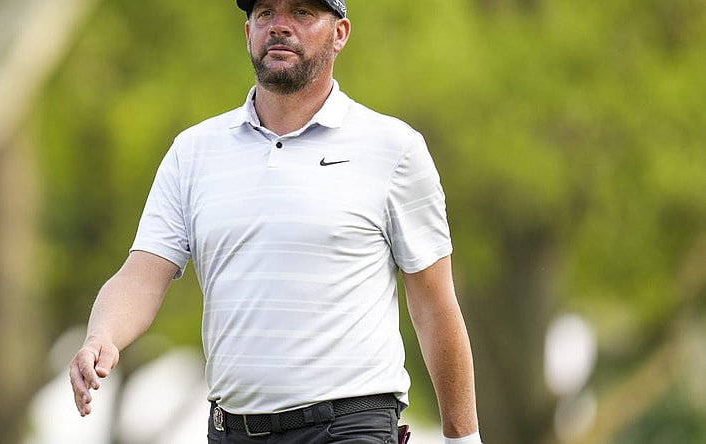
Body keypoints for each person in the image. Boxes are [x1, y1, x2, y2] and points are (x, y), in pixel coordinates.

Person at [69, 0, 483, 442]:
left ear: (340, 33)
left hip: (349, 426)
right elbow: (142, 274)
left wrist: (462, 437)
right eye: (265, 13)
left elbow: (434, 305)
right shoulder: (193, 152)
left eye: (302, 13)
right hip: (233, 429)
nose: (279, 26)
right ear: (248, 33)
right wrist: (102, 335)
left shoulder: (393, 148)